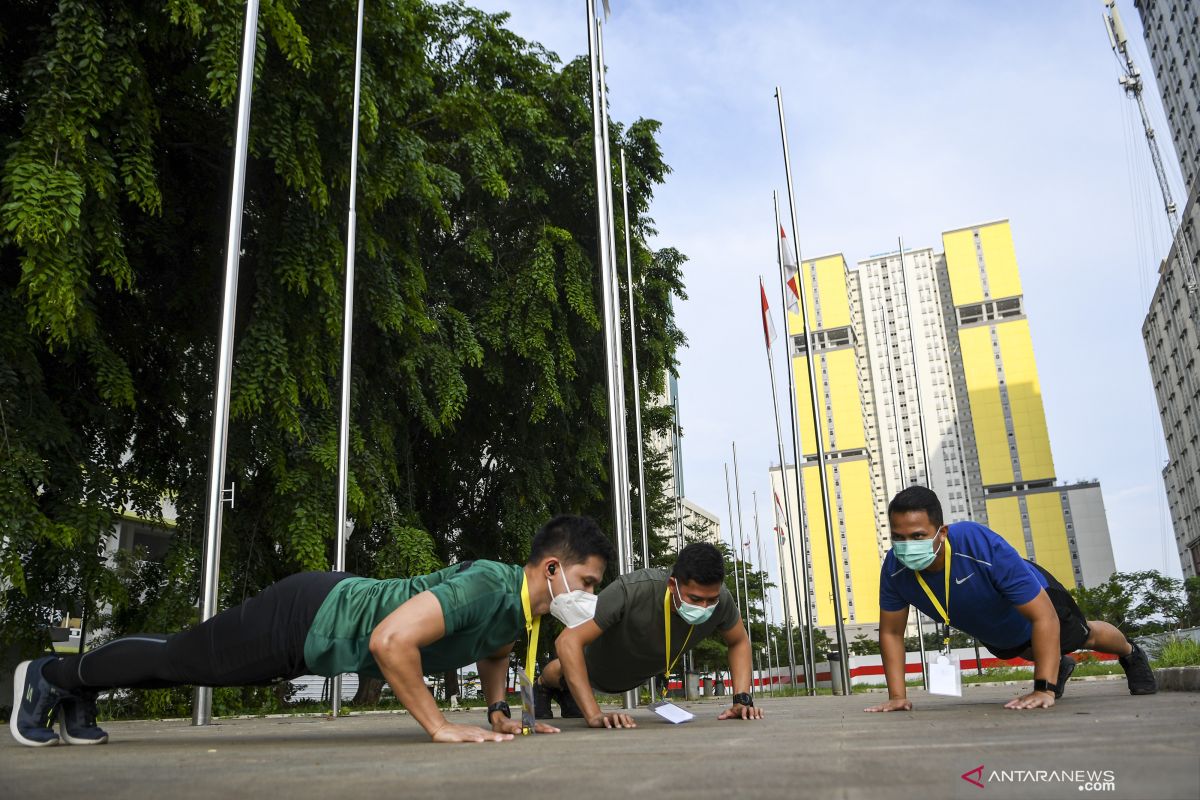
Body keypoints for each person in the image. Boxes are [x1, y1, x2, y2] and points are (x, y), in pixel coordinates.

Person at [10, 514, 614, 747]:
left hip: (317, 639)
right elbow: (389, 641)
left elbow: (495, 650)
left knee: (192, 666)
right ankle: (50, 674)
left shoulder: (522, 607)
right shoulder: (486, 584)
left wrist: (499, 710)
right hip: (309, 615)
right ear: (554, 568)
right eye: (587, 583)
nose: (588, 598)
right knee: (183, 660)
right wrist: (439, 726)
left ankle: (77, 692)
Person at [864, 486, 1156, 713]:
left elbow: (1044, 617)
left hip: (1040, 600)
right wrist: (897, 697)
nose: (907, 546)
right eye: (898, 538)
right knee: (1014, 647)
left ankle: (1131, 653)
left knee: (1083, 636)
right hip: (993, 625)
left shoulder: (976, 543)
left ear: (942, 532)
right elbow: (891, 632)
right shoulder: (894, 568)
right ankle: (1059, 664)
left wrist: (1044, 689)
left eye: (917, 536)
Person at [535, 542, 764, 728]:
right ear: (673, 585)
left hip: (635, 675)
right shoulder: (632, 590)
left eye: (711, 599)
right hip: (595, 665)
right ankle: (544, 685)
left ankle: (570, 696)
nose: (704, 606)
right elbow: (567, 641)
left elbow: (739, 641)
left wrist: (742, 700)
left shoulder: (722, 601)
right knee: (562, 668)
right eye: (695, 599)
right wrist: (594, 714)